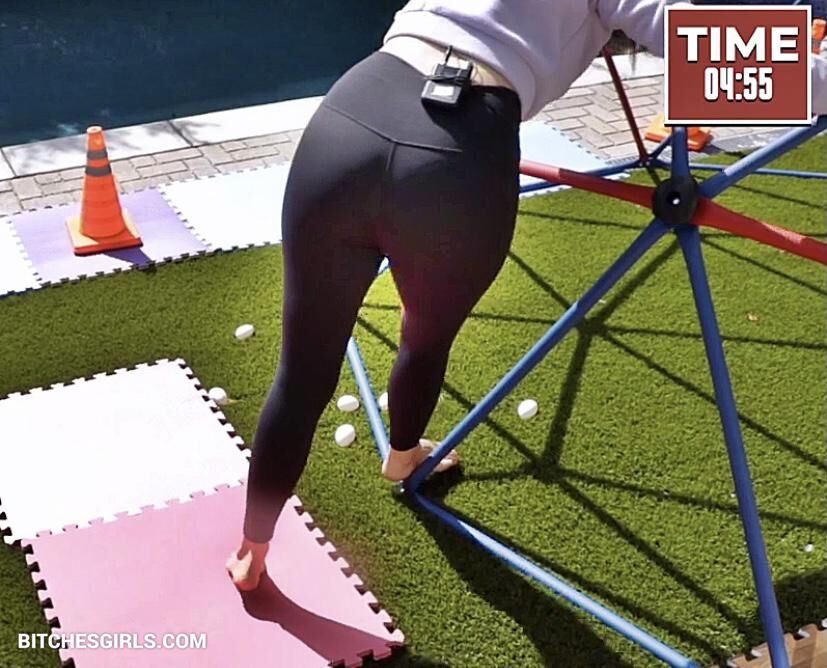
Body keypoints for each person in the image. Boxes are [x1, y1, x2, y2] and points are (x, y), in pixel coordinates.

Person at [227, 0, 827, 591]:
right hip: (457, 151)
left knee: (302, 371)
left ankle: (251, 552)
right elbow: (704, 46)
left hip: (351, 115)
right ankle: (403, 453)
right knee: (425, 336)